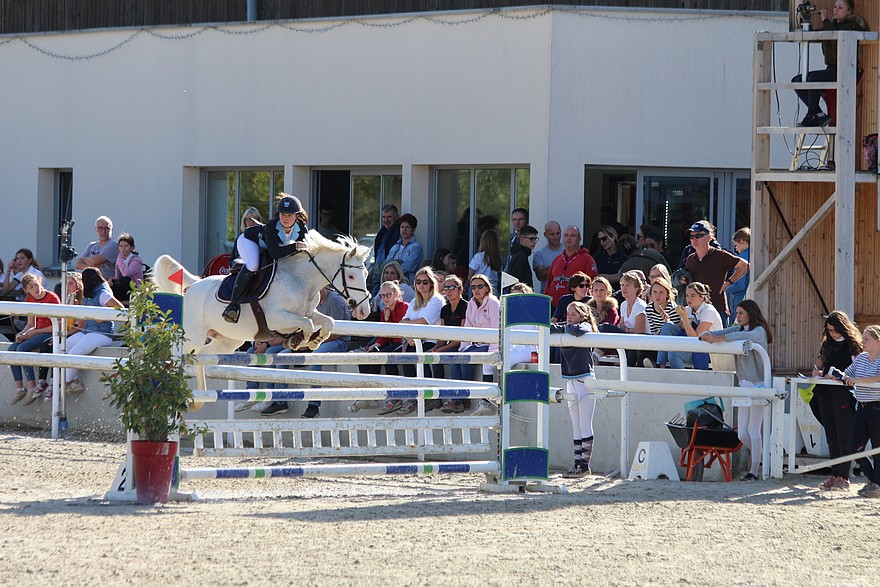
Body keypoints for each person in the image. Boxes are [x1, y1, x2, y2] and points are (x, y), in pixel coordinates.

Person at [702, 300, 772, 481]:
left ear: (750, 313)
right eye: (737, 313)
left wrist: (716, 338)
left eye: (741, 313)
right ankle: (764, 458)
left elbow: (737, 337)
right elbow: (725, 333)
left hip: (759, 384)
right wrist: (708, 335)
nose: (737, 316)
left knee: (753, 429)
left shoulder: (759, 331)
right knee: (742, 433)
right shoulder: (739, 329)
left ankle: (754, 470)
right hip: (744, 383)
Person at [223, 194, 308, 323]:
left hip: (270, 248)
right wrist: (295, 246)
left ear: (297, 216)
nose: (285, 218)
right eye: (282, 214)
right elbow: (275, 253)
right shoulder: (271, 226)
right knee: (253, 265)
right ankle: (233, 306)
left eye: (289, 215)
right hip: (249, 241)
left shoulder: (302, 229)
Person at [791, 0, 869, 127]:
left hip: (846, 70)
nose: (836, 10)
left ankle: (812, 115)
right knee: (797, 80)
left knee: (813, 79)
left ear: (849, 11)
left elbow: (833, 39)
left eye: (840, 7)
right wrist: (806, 22)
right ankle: (818, 114)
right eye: (835, 7)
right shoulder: (832, 26)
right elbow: (818, 34)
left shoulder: (852, 26)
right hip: (831, 70)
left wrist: (825, 20)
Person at [809, 311, 862, 491]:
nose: (832, 334)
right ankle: (835, 474)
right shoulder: (827, 345)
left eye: (835, 330)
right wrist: (817, 367)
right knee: (831, 435)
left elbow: (856, 371)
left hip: (843, 394)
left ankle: (844, 476)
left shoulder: (852, 346)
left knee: (843, 435)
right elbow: (819, 367)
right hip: (825, 393)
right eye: (829, 330)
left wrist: (840, 377)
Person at [552, 301, 598, 478]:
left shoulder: (584, 325)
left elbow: (579, 330)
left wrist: (565, 328)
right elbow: (551, 327)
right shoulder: (567, 326)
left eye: (573, 314)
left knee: (585, 424)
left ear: (582, 315)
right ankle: (577, 463)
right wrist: (564, 327)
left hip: (585, 379)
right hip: (570, 379)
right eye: (568, 314)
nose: (569, 317)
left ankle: (584, 465)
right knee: (576, 426)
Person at [64, 267, 124, 394]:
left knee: (74, 353)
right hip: (88, 330)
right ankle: (74, 382)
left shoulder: (103, 294)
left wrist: (105, 316)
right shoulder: (92, 292)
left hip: (102, 333)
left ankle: (65, 384)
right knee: (61, 347)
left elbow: (121, 309)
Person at [397, 267, 446, 414]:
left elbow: (424, 321)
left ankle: (430, 397)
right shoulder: (414, 301)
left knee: (422, 358)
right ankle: (414, 396)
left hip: (432, 340)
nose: (422, 285)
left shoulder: (437, 300)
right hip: (414, 340)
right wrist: (409, 337)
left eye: (425, 282)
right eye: (418, 282)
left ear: (431, 283)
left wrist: (407, 327)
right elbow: (404, 320)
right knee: (404, 358)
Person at [8, 274, 60, 405]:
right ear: (27, 290)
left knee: (22, 348)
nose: (36, 288)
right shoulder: (29, 299)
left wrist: (34, 332)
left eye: (36, 284)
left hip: (48, 331)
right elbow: (31, 324)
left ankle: (32, 387)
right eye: (31, 286)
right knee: (12, 348)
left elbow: (59, 323)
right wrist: (22, 333)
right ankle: (19, 387)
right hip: (37, 331)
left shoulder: (51, 297)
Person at [684, 220, 748, 326]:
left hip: (718, 309)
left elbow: (744, 266)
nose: (694, 239)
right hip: (696, 312)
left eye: (698, 236)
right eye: (691, 237)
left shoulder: (720, 255)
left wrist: (728, 283)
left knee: (719, 341)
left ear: (709, 237)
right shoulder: (690, 259)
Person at [842, 325, 880, 498]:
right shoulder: (861, 358)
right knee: (855, 448)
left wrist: (857, 380)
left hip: (877, 407)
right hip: (862, 406)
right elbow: (847, 373)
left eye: (866, 339)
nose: (862, 342)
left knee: (877, 448)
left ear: (877, 341)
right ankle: (875, 482)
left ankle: (876, 484)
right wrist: (834, 374)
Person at [454, 274, 500, 416]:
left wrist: (493, 353)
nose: (476, 290)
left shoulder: (493, 303)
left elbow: (496, 329)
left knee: (467, 356)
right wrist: (462, 348)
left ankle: (467, 395)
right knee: (457, 357)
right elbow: (468, 328)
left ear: (487, 288)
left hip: (490, 345)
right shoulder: (471, 304)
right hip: (479, 344)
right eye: (473, 287)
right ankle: (457, 398)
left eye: (480, 286)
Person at [363, 281, 409, 415]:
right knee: (369, 355)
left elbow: (399, 332)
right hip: (391, 342)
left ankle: (395, 396)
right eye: (382, 296)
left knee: (388, 356)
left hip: (402, 342)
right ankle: (370, 394)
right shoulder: (385, 311)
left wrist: (388, 319)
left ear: (396, 294)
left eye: (388, 294)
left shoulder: (404, 307)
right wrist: (375, 345)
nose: (385, 298)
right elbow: (384, 335)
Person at [657, 282, 723, 370]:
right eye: (687, 295)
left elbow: (696, 339)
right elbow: (679, 329)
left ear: (702, 297)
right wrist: (668, 320)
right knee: (667, 327)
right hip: (691, 345)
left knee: (673, 353)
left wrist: (684, 318)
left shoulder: (709, 311)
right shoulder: (688, 309)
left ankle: (683, 380)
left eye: (693, 295)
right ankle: (660, 364)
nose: (689, 298)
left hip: (707, 349)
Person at [435, 275, 469, 411]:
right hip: (452, 345)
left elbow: (460, 339)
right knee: (431, 358)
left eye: (452, 287)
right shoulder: (444, 309)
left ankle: (457, 400)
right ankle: (436, 398)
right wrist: (436, 348)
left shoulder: (465, 306)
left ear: (460, 290)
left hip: (463, 345)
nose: (448, 291)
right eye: (446, 288)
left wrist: (441, 349)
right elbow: (443, 336)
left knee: (455, 359)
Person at [544, 226, 598, 309]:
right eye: (566, 235)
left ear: (579, 238)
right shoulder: (557, 259)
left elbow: (592, 286)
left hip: (575, 310)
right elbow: (549, 284)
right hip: (554, 308)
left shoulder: (587, 260)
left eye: (573, 235)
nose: (569, 238)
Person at [641, 277, 678, 368]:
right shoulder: (648, 309)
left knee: (666, 326)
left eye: (661, 292)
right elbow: (653, 329)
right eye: (655, 292)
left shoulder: (672, 308)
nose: (657, 296)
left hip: (673, 339)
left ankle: (660, 364)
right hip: (658, 338)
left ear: (667, 294)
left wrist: (668, 321)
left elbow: (676, 328)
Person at [75, 216, 118, 283]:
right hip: (92, 284)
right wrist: (93, 268)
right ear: (96, 229)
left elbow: (94, 261)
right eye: (100, 228)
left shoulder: (113, 245)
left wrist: (85, 259)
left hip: (106, 285)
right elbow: (78, 264)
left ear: (111, 229)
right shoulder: (92, 245)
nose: (103, 231)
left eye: (106, 228)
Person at [369, 205, 400, 290]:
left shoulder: (398, 234)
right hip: (378, 274)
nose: (386, 220)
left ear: (397, 217)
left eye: (389, 217)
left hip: (388, 276)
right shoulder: (382, 233)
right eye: (383, 217)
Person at [386, 213, 424, 284]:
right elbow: (387, 264)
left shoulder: (416, 247)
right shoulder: (394, 247)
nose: (404, 230)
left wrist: (393, 271)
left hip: (407, 282)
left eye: (407, 227)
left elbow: (409, 267)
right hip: (389, 282)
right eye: (402, 227)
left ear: (413, 230)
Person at [533, 221, 564, 293]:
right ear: (545, 234)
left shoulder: (569, 251)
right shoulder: (539, 254)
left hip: (565, 295)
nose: (556, 237)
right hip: (547, 295)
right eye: (552, 234)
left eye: (558, 233)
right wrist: (558, 264)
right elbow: (540, 276)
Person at [112, 233, 144, 302]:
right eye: (121, 246)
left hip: (135, 289)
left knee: (125, 280)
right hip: (123, 289)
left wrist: (120, 257)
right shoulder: (120, 259)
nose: (123, 249)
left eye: (126, 246)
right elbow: (117, 275)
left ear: (132, 248)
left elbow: (125, 273)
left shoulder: (136, 261)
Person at [468, 229, 502, 294]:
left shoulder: (478, 257)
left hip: (480, 291)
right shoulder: (498, 258)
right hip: (494, 291)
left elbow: (470, 276)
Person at [725, 228, 750, 316]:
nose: (736, 249)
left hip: (741, 298)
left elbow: (740, 284)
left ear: (742, 241)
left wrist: (724, 288)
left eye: (736, 245)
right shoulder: (754, 254)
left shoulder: (743, 258)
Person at [507, 224, 539, 289]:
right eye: (531, 239)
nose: (534, 242)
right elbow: (515, 281)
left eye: (535, 239)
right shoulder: (521, 256)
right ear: (521, 239)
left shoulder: (520, 254)